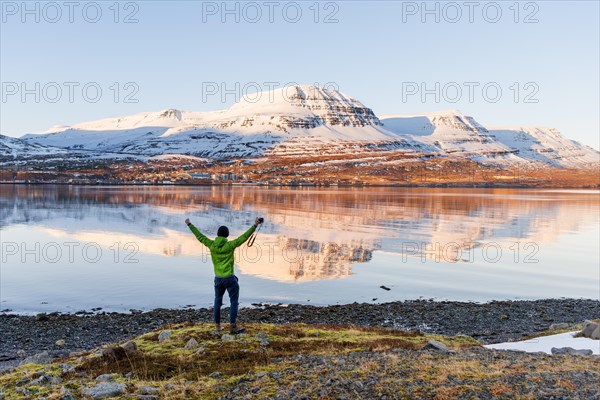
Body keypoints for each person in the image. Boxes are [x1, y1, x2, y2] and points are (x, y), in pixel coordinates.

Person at [185, 217, 261, 334]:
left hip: (218, 279)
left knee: (217, 300)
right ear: (227, 235)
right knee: (234, 301)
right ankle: (232, 326)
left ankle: (217, 326)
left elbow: (199, 236)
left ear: (218, 235)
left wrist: (189, 224)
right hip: (230, 278)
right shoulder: (230, 245)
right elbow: (244, 237)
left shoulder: (211, 245)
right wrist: (255, 225)